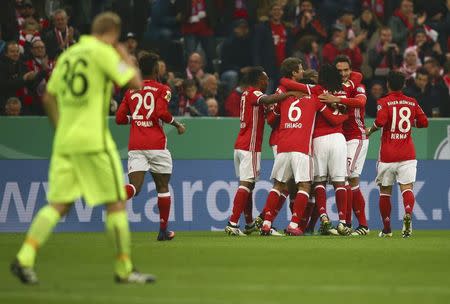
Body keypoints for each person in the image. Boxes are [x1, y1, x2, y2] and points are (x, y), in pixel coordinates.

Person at [10, 12, 154, 285]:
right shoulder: (102, 53)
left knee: (59, 205)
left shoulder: (68, 56)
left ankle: (25, 257)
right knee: (115, 203)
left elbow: (49, 96)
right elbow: (135, 84)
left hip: (66, 141)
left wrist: (61, 129)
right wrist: (123, 55)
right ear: (112, 34)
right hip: (94, 143)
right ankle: (124, 269)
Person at [260, 63, 349, 236]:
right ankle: (294, 224)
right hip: (302, 148)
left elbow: (272, 117)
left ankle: (266, 223)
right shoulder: (314, 98)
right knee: (305, 185)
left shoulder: (285, 98)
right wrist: (345, 115)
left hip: (283, 145)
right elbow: (333, 118)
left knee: (278, 184)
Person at [279, 65, 364, 236]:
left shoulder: (316, 90)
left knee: (320, 182)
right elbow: (358, 83)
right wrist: (341, 105)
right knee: (340, 181)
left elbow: (285, 81)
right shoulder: (343, 91)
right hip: (339, 139)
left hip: (318, 139)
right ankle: (342, 222)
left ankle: (324, 215)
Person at [116, 52, 186, 241]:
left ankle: (117, 194)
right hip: (156, 145)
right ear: (156, 70)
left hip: (136, 145)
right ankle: (163, 231)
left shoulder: (130, 91)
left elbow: (120, 119)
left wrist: (136, 118)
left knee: (134, 187)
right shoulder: (163, 89)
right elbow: (160, 112)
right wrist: (177, 124)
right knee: (162, 187)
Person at [224, 66, 301, 236]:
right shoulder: (255, 93)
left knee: (249, 185)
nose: (267, 82)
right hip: (249, 146)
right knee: (246, 184)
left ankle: (250, 223)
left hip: (240, 145)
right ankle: (232, 223)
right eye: (266, 79)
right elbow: (267, 100)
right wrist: (287, 95)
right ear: (259, 80)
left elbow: (267, 109)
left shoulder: (245, 94)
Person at [366, 71, 428, 238]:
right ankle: (407, 212)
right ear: (404, 85)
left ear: (388, 84)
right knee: (406, 188)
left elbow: (380, 121)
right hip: (407, 154)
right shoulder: (412, 102)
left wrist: (370, 131)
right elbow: (424, 122)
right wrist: (408, 124)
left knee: (385, 191)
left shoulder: (384, 102)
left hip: (387, 155)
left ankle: (387, 229)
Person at [321, 55, 369, 235]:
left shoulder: (358, 85)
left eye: (346, 70)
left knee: (347, 178)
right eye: (339, 71)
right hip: (341, 138)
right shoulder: (333, 87)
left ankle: (356, 225)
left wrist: (338, 100)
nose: (343, 74)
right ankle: (353, 224)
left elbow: (361, 102)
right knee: (349, 180)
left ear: (351, 70)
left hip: (356, 137)